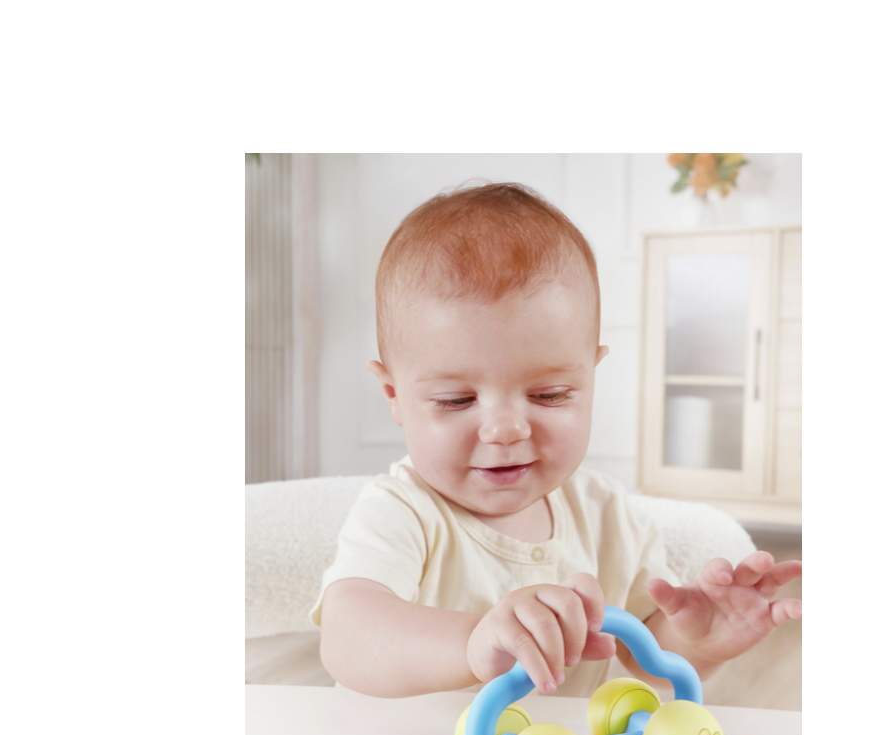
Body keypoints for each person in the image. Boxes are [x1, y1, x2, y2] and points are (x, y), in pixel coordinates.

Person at [309, 182, 801, 698]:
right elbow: (349, 638)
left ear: (591, 376)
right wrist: (475, 643)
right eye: (456, 400)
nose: (505, 429)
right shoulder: (403, 511)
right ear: (394, 395)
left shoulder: (607, 515)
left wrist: (699, 642)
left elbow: (649, 656)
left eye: (549, 395)